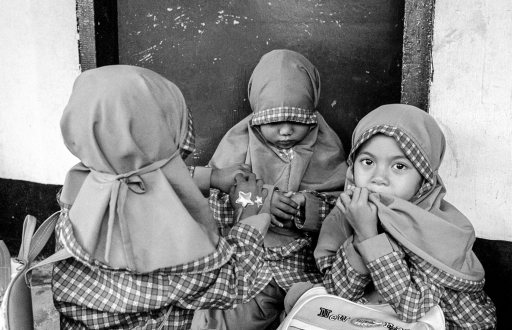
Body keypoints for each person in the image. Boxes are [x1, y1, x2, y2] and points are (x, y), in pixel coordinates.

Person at [52, 65, 273, 329]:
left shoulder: (84, 183)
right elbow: (233, 283)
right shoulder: (162, 252)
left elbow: (141, 174)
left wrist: (211, 178)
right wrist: (248, 213)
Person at [299, 104, 496, 329]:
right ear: (353, 168)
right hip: (379, 315)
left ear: (424, 180)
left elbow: (412, 308)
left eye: (399, 166)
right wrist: (359, 232)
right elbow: (341, 292)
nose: (378, 178)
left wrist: (368, 235)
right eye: (368, 162)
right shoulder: (349, 212)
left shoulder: (434, 229)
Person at [192, 49, 348, 330]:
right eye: (274, 122)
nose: (286, 131)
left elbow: (345, 208)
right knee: (232, 319)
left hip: (306, 263)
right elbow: (214, 202)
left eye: (298, 121)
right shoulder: (238, 146)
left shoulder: (327, 149)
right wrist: (262, 200)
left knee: (316, 315)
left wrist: (305, 206)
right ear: (258, 118)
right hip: (250, 260)